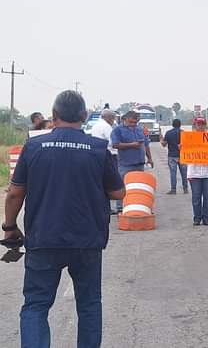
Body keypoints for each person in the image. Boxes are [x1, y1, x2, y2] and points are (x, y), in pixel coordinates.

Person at [3, 90, 125, 348]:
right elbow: (118, 192)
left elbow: (14, 194)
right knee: (89, 304)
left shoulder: (33, 146)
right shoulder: (98, 149)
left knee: (36, 306)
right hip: (87, 241)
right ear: (84, 116)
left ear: (54, 114)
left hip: (43, 239)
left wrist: (10, 227)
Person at [111, 111, 153, 213]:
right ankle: (121, 207)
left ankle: (138, 206)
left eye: (135, 122)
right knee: (123, 185)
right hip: (125, 163)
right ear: (124, 119)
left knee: (139, 186)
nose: (133, 125)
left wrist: (150, 158)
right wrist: (132, 145)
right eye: (131, 122)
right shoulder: (117, 130)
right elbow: (115, 144)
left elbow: (146, 145)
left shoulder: (140, 129)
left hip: (139, 163)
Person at [188, 117, 208, 226]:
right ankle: (197, 218)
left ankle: (206, 218)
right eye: (198, 124)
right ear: (195, 125)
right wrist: (182, 147)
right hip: (194, 172)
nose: (200, 126)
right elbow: (185, 153)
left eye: (202, 124)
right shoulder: (189, 138)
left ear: (206, 125)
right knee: (196, 197)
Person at [90, 109, 120, 212]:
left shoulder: (96, 125)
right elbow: (113, 142)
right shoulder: (106, 127)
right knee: (111, 183)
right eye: (113, 118)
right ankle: (110, 208)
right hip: (109, 155)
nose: (113, 121)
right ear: (109, 118)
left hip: (97, 155)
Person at [161, 119, 188, 195]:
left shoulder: (168, 133)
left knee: (173, 173)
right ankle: (185, 188)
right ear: (180, 125)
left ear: (172, 124)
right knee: (184, 173)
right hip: (182, 155)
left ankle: (173, 189)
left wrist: (161, 139)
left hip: (172, 156)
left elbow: (164, 144)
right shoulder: (184, 133)